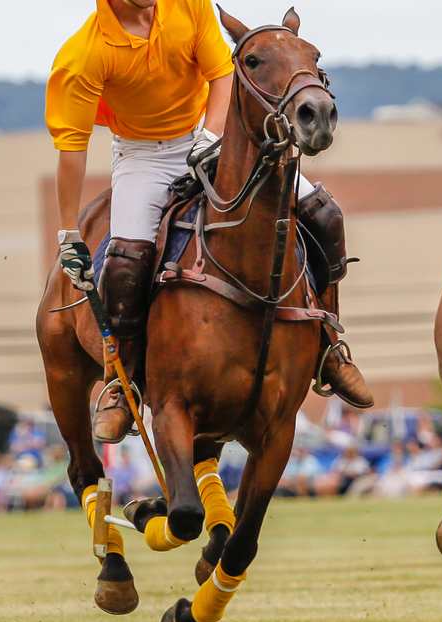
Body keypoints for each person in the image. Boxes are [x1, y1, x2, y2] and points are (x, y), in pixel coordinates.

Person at [46, 0, 373, 445]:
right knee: (125, 263)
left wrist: (210, 137)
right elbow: (72, 149)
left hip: (212, 134)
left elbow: (222, 75)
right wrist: (69, 232)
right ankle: (121, 384)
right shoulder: (83, 55)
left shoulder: (188, 5)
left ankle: (330, 347)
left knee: (325, 215)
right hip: (143, 156)